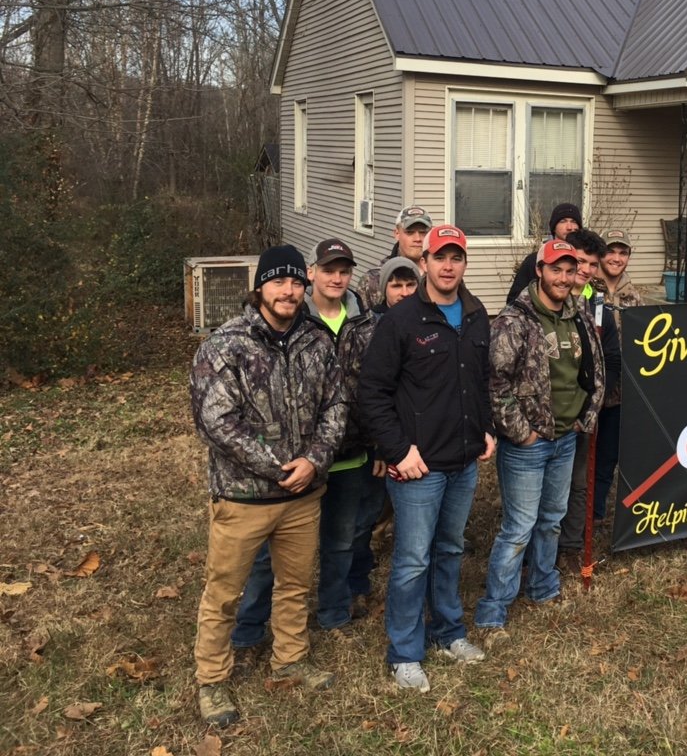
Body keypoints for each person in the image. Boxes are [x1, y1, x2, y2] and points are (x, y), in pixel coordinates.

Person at [189, 245, 346, 727]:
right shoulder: (226, 345)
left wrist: (314, 461)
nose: (289, 291)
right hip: (244, 497)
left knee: (295, 585)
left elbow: (336, 408)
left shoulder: (316, 342)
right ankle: (212, 680)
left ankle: (290, 659)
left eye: (297, 282)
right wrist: (280, 466)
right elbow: (215, 420)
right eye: (279, 282)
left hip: (302, 495)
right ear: (261, 287)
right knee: (225, 592)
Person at [359, 226, 497, 692]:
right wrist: (398, 450)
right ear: (424, 262)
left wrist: (487, 428)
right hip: (418, 466)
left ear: (464, 263)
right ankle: (404, 652)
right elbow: (372, 393)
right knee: (413, 559)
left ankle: (448, 631)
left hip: (462, 459)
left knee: (450, 549)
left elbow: (482, 381)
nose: (448, 265)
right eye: (440, 257)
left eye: (456, 257)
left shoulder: (477, 316)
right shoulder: (401, 322)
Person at [231, 238, 380, 651]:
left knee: (341, 540)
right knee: (268, 557)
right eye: (328, 269)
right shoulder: (295, 321)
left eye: (344, 270)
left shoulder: (366, 322)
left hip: (348, 455)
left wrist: (379, 446)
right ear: (311, 274)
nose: (336, 277)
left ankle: (333, 611)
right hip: (290, 462)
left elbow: (372, 391)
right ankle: (249, 628)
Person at [476, 239, 605, 641]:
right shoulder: (514, 320)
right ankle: (493, 609)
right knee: (519, 526)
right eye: (556, 270)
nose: (564, 278)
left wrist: (588, 415)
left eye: (570, 270)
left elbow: (595, 367)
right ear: (539, 271)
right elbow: (495, 383)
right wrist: (522, 432)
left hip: (567, 437)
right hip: (528, 445)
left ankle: (543, 586)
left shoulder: (579, 312)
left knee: (551, 520)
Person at [557, 229, 622, 570]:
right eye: (579, 261)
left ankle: (570, 544)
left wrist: (593, 401)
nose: (584, 270)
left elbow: (611, 359)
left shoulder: (599, 308)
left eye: (591, 265)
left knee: (579, 481)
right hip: (550, 410)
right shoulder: (544, 297)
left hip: (585, 410)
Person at [593, 229, 646, 519]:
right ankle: (575, 516)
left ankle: (596, 513)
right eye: (610, 251)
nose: (616, 258)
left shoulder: (634, 297)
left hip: (619, 393)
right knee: (580, 460)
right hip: (589, 391)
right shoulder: (587, 290)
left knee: (607, 457)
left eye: (622, 252)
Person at [506, 203, 583, 304]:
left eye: (574, 221)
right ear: (554, 228)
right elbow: (514, 300)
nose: (570, 227)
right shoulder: (535, 260)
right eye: (563, 221)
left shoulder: (588, 261)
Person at [359, 205, 432, 308]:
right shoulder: (373, 280)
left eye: (423, 232)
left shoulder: (439, 276)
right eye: (410, 232)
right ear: (397, 233)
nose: (418, 238)